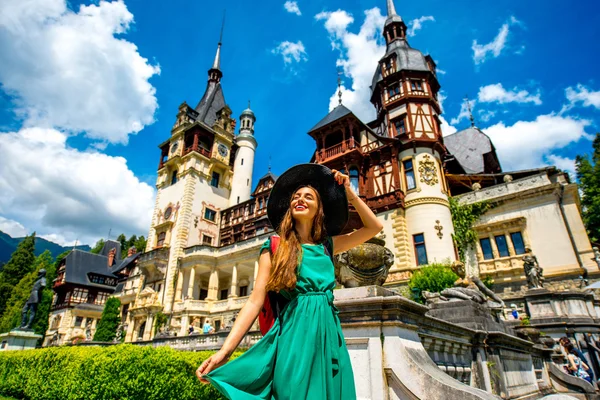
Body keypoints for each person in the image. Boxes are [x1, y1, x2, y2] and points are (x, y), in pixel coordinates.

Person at [196, 164, 382, 399]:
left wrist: (349, 193)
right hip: (294, 342)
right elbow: (255, 302)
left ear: (319, 208)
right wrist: (225, 352)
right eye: (295, 197)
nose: (300, 200)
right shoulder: (274, 247)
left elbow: (374, 227)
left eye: (308, 197)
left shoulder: (327, 246)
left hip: (330, 341)